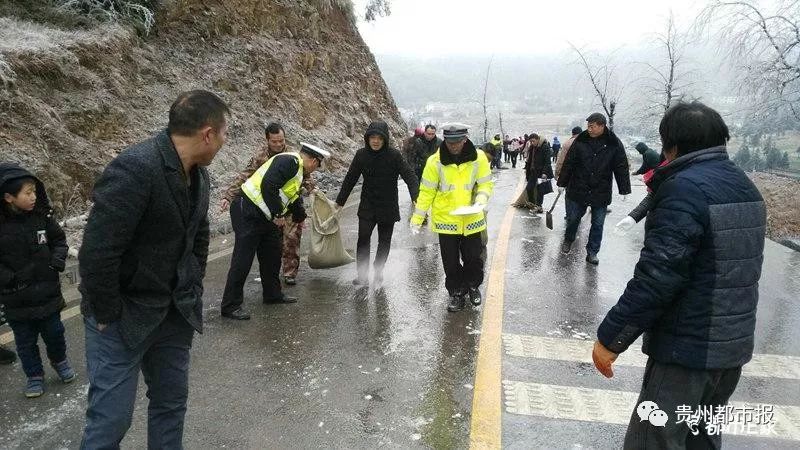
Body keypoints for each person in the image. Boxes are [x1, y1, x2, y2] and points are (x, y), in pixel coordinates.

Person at [592, 101, 766, 449]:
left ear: (671, 144)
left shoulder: (684, 190)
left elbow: (658, 276)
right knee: (700, 440)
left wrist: (611, 338)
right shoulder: (743, 186)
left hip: (686, 352)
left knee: (654, 441)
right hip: (730, 353)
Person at [79, 90, 229, 448]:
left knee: (171, 404)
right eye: (224, 133)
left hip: (174, 315)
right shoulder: (136, 167)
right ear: (207, 134)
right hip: (123, 317)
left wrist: (191, 284)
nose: (225, 142)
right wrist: (106, 312)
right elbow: (98, 250)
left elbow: (199, 232)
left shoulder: (199, 174)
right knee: (111, 421)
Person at [221, 142, 329, 318]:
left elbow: (291, 197)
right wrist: (278, 214)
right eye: (317, 164)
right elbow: (268, 186)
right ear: (312, 160)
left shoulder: (299, 172)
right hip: (248, 209)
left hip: (265, 214)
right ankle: (230, 306)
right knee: (243, 258)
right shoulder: (289, 162)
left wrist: (300, 218)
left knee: (272, 253)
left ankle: (272, 294)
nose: (316, 169)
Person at [0, 164, 74, 398]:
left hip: (47, 293)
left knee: (55, 332)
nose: (33, 197)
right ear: (9, 197)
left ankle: (59, 361)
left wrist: (57, 261)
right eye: (27, 193)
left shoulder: (42, 217)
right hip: (16, 298)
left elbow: (59, 241)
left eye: (34, 191)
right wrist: (11, 279)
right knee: (25, 342)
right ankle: (34, 376)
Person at [220, 122, 315, 289]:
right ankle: (272, 278)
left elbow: (305, 175)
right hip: (268, 206)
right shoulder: (260, 157)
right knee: (273, 243)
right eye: (274, 142)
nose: (279, 144)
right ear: (267, 140)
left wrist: (313, 191)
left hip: (290, 203)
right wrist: (229, 196)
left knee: (292, 238)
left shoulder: (293, 155)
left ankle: (290, 272)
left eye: (281, 141)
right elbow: (246, 175)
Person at [410, 123, 493, 312]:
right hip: (446, 220)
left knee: (473, 257)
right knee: (450, 261)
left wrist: (481, 199)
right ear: (445, 140)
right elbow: (426, 192)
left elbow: (486, 185)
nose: (454, 146)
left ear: (465, 139)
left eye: (458, 142)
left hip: (471, 218)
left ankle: (472, 286)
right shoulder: (435, 162)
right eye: (450, 142)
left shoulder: (478, 158)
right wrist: (417, 218)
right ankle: (456, 293)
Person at [336, 121, 419, 286]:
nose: (375, 141)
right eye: (372, 137)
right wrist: (340, 202)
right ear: (367, 138)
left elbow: (409, 176)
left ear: (385, 139)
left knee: (384, 240)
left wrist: (416, 197)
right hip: (368, 204)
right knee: (363, 238)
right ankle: (362, 274)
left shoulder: (394, 155)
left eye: (379, 138)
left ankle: (379, 269)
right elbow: (350, 179)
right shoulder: (361, 155)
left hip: (388, 205)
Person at [557, 113, 630, 264]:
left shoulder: (613, 143)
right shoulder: (581, 140)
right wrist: (562, 183)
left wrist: (624, 189)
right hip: (579, 186)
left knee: (597, 224)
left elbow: (621, 166)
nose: (589, 129)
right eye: (588, 126)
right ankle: (568, 239)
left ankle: (592, 252)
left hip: (600, 189)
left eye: (592, 126)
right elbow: (569, 162)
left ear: (602, 126)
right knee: (573, 218)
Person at [524, 134, 554, 211]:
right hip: (533, 171)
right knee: (529, 188)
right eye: (530, 141)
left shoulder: (545, 147)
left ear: (538, 139)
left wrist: (544, 173)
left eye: (533, 141)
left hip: (541, 172)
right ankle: (532, 203)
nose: (532, 143)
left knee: (540, 190)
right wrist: (527, 169)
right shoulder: (532, 147)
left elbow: (547, 162)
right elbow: (530, 160)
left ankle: (539, 206)